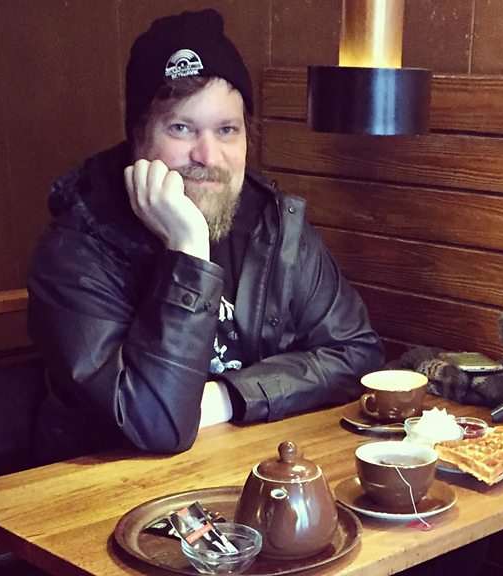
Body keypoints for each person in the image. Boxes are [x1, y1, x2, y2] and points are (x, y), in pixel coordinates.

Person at [26, 8, 384, 460]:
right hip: (100, 486)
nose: (208, 155)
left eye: (227, 130)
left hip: (236, 469)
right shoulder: (75, 252)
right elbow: (157, 425)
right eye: (182, 128)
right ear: (137, 137)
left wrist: (230, 396)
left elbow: (357, 353)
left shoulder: (272, 224)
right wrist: (189, 251)